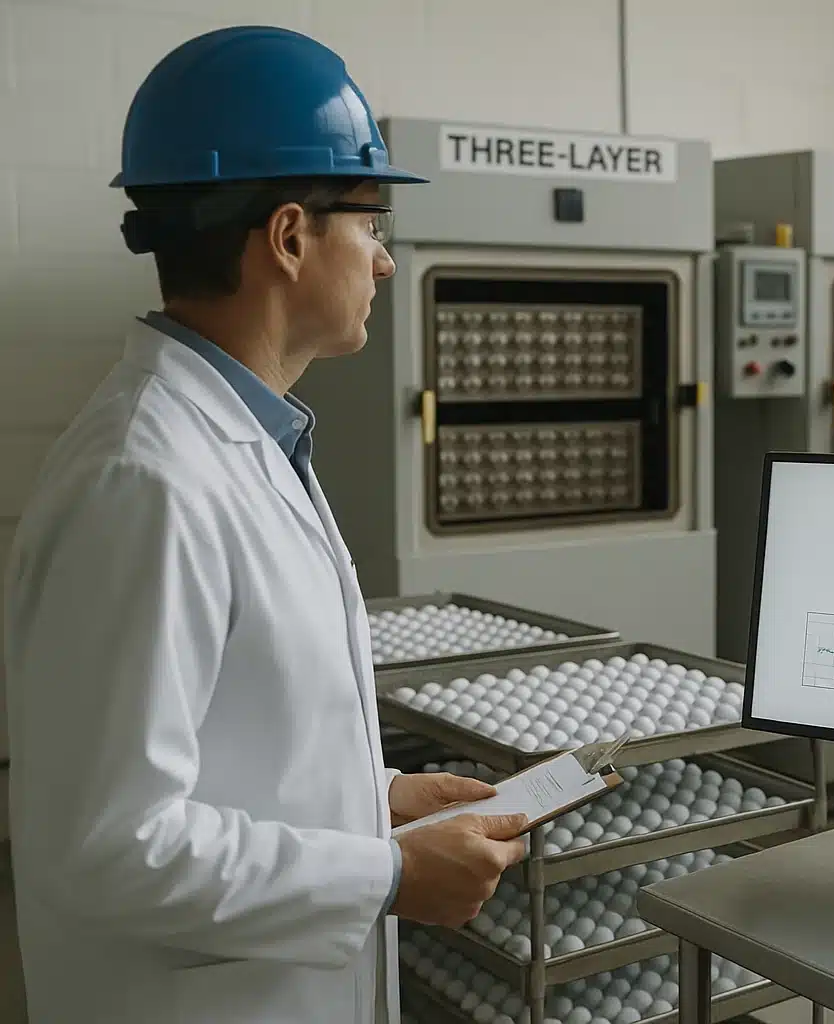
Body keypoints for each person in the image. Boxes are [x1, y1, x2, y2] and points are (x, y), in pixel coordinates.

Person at [3, 26, 528, 1024]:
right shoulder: (146, 480)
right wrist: (382, 877)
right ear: (289, 236)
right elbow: (110, 846)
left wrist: (372, 798)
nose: (381, 263)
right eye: (371, 224)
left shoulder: (245, 437)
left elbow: (228, 737)